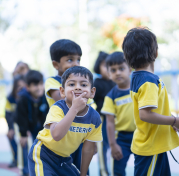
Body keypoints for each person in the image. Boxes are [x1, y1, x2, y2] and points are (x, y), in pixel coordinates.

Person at [122, 27, 179, 176]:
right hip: (150, 148)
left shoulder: (138, 77)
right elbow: (145, 115)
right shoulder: (149, 81)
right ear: (156, 53)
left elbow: (156, 110)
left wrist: (170, 124)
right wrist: (174, 120)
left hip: (155, 146)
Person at [28, 66, 102, 176]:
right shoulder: (58, 108)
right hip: (43, 155)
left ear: (92, 92)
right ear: (62, 91)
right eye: (72, 84)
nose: (78, 88)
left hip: (64, 159)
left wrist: (83, 173)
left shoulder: (94, 117)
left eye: (83, 84)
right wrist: (74, 109)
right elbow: (57, 135)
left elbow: (88, 149)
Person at [44, 39, 93, 172]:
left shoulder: (83, 84)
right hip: (62, 133)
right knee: (64, 169)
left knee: (81, 168)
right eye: (70, 60)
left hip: (80, 133)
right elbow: (63, 98)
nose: (76, 64)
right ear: (56, 64)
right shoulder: (53, 82)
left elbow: (90, 108)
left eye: (78, 60)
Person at [101, 52, 135, 176]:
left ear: (130, 69)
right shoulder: (111, 96)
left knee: (143, 169)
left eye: (121, 68)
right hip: (121, 139)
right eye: (113, 70)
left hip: (141, 135)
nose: (118, 73)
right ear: (109, 74)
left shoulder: (139, 88)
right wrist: (113, 145)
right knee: (118, 171)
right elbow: (109, 123)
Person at [15, 70, 49, 176]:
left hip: (37, 127)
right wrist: (23, 133)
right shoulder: (23, 100)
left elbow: (46, 115)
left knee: (39, 147)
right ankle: (24, 170)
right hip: (22, 127)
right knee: (25, 145)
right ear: (27, 87)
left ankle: (37, 169)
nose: (39, 87)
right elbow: (21, 117)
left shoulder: (45, 98)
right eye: (35, 85)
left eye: (40, 84)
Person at [93, 51, 116, 176]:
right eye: (104, 66)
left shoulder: (115, 83)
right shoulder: (97, 83)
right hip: (102, 118)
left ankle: (113, 171)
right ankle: (103, 171)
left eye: (110, 66)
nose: (108, 69)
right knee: (102, 147)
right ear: (98, 67)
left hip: (115, 119)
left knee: (114, 144)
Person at [5, 75, 26, 168]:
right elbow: (8, 115)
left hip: (26, 125)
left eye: (22, 86)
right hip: (15, 124)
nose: (20, 89)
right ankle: (16, 157)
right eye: (18, 86)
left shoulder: (26, 97)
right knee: (10, 135)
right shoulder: (10, 99)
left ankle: (24, 160)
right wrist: (10, 128)